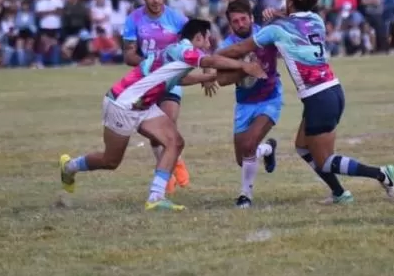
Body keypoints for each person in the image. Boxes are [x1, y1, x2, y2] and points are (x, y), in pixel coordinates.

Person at [218, 0, 394, 204]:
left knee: (325, 160)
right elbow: (295, 21)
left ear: (290, 1)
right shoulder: (316, 20)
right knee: (303, 147)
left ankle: (381, 173)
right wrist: (279, 14)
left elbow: (241, 47)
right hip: (332, 89)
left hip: (318, 98)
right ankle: (340, 193)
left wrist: (207, 58)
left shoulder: (275, 29)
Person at [59, 18, 265, 211]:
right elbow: (209, 61)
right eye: (207, 37)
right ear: (198, 38)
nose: (209, 41)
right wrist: (243, 65)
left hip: (143, 105)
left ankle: (155, 198)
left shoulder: (178, 54)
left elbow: (178, 80)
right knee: (110, 160)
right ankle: (69, 166)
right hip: (123, 103)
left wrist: (206, 77)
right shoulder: (183, 49)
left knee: (175, 142)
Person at [122, 0, 191, 193]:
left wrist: (205, 68)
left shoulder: (177, 19)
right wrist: (149, 64)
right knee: (155, 132)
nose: (156, 0)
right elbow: (128, 55)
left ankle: (170, 168)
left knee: (168, 124)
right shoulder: (134, 19)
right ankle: (170, 164)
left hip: (170, 78)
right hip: (145, 80)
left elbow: (193, 45)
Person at [213, 0, 281, 208]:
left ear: (252, 18)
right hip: (244, 104)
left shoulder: (266, 32)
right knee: (243, 160)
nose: (241, 24)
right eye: (236, 21)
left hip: (270, 99)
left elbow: (291, 26)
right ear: (230, 24)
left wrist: (277, 14)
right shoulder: (227, 46)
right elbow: (222, 80)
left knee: (249, 145)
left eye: (244, 19)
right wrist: (244, 68)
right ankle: (268, 149)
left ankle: (245, 196)